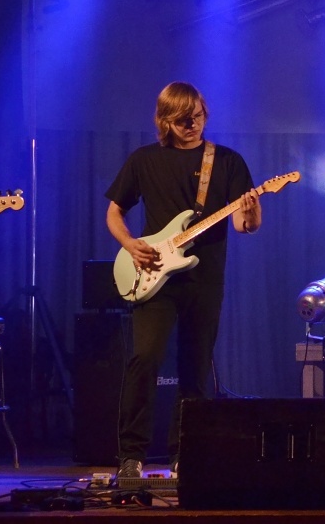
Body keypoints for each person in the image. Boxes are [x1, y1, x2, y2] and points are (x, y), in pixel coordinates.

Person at [106, 82, 261, 479]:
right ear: (165, 122)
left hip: (204, 278)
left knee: (196, 366)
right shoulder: (144, 160)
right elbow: (114, 212)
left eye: (197, 116)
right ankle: (131, 455)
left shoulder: (226, 162)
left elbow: (243, 225)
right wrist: (131, 244)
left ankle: (186, 454)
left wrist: (252, 211)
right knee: (145, 359)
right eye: (182, 120)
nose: (192, 125)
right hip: (153, 274)